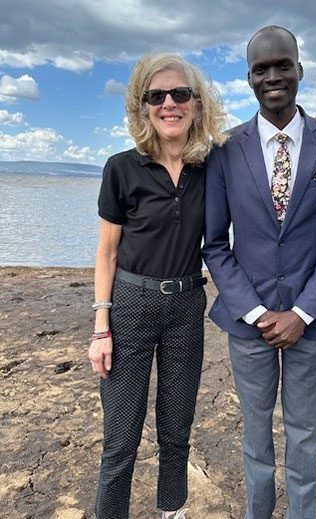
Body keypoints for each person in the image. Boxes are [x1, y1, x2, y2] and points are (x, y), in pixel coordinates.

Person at [202, 25, 316, 518]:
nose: (273, 76)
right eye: (261, 69)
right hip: (247, 323)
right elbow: (214, 243)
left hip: (310, 323)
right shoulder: (225, 149)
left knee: (305, 432)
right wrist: (253, 312)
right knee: (254, 432)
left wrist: (302, 313)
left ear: (300, 69)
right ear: (249, 77)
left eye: (282, 65)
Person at [88, 53, 227, 519]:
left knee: (176, 431)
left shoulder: (213, 167)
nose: (169, 103)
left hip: (187, 307)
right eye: (156, 96)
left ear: (196, 103)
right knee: (121, 439)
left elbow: (260, 148)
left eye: (180, 94)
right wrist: (100, 328)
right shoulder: (121, 168)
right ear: (142, 106)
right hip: (129, 306)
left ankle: (173, 512)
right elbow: (106, 253)